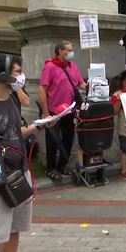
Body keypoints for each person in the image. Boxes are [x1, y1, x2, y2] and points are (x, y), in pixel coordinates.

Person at [0, 54, 51, 252]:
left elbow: (13, 131)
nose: (22, 77)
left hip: (19, 174)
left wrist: (36, 126)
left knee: (13, 230)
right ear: (3, 76)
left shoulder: (11, 100)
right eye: (18, 72)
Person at [38, 41, 86, 181]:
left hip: (69, 111)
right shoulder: (50, 67)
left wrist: (96, 85)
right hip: (54, 111)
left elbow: (81, 84)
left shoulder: (72, 66)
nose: (72, 53)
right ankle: (51, 167)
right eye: (69, 50)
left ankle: (62, 166)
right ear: (60, 51)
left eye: (72, 49)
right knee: (52, 141)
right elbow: (42, 90)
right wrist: (46, 113)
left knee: (68, 139)